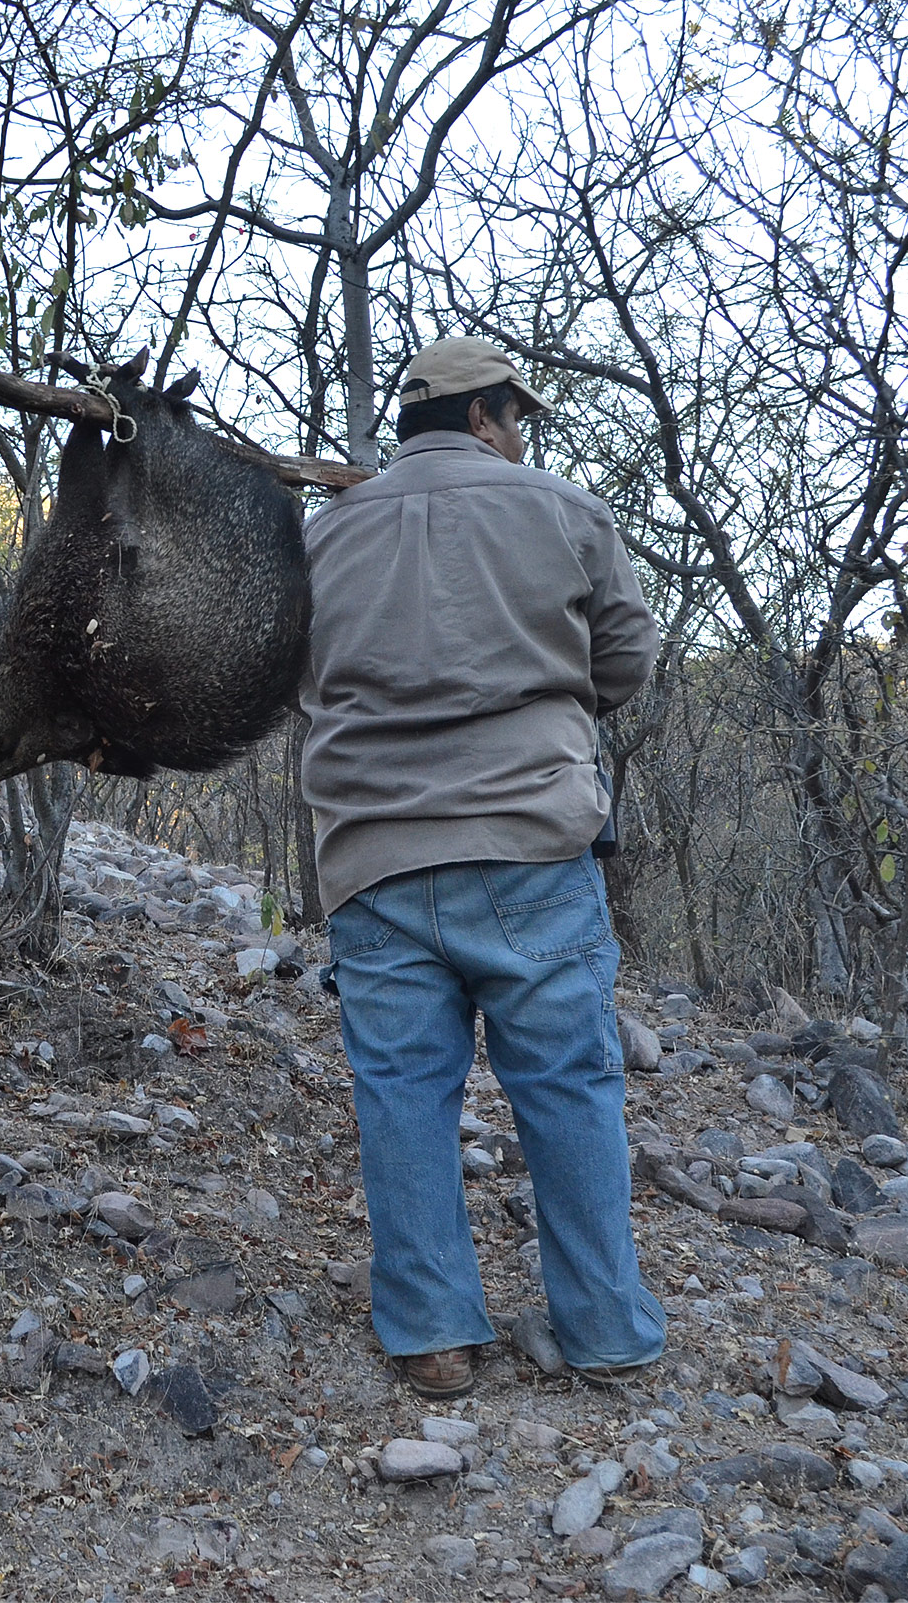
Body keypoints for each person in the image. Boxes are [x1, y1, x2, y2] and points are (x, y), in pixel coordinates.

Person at [298, 336, 667, 1402]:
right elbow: (626, 662)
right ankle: (603, 1329)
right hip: (530, 844)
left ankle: (430, 1334)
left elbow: (296, 681)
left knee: (403, 1092)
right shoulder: (561, 509)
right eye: (517, 416)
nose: (520, 436)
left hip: (372, 854)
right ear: (486, 416)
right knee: (565, 1085)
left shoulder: (326, 535)